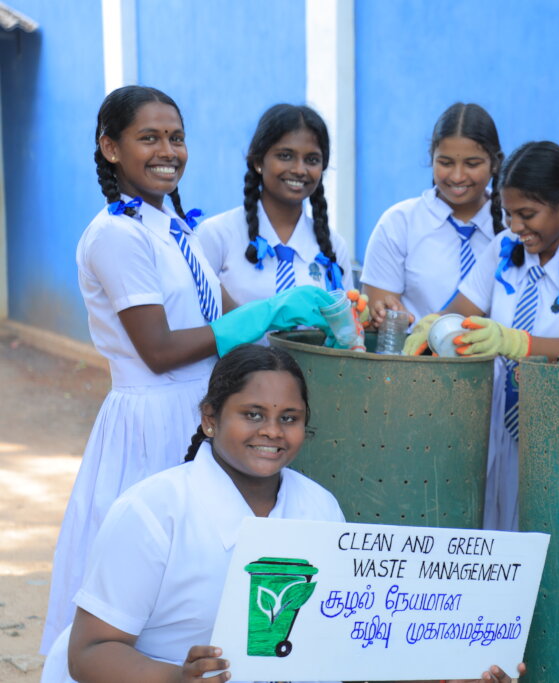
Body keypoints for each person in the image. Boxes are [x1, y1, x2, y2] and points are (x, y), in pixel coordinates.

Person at [42, 86, 335, 653]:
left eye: (176, 138)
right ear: (109, 147)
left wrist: (303, 319)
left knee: (203, 567)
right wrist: (264, 312)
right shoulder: (115, 235)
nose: (167, 151)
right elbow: (158, 349)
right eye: (147, 138)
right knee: (148, 563)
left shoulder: (175, 229)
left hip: (202, 412)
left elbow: (231, 319)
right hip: (152, 417)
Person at [42, 345, 522, 683]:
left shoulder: (319, 509)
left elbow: (349, 642)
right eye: (252, 414)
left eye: (288, 418)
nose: (271, 431)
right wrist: (177, 679)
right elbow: (88, 654)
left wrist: (449, 672)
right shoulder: (153, 513)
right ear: (210, 418)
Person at [405, 141, 559, 531]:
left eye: (527, 214)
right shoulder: (503, 249)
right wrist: (431, 327)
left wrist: (512, 343)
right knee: (493, 531)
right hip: (497, 423)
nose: (515, 227)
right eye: (508, 214)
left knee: (548, 532)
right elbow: (459, 311)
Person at [361, 103, 504, 326]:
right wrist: (388, 317)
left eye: (472, 164)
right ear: (432, 157)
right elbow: (374, 316)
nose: (457, 176)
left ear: (496, 163)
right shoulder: (399, 223)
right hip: (417, 358)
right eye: (445, 163)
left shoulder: (516, 227)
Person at [198, 104, 356, 305]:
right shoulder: (216, 235)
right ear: (258, 161)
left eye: (312, 159)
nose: (300, 169)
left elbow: (346, 327)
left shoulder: (334, 246)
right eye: (285, 156)